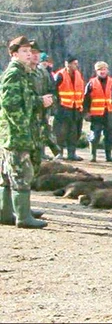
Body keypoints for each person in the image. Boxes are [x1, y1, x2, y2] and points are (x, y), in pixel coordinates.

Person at [0, 36, 52, 228]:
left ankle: (5, 213)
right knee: (21, 174)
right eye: (24, 51)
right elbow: (10, 104)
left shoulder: (21, 73)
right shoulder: (14, 73)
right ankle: (23, 217)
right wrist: (23, 129)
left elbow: (26, 99)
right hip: (16, 134)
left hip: (14, 133)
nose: (29, 54)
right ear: (14, 54)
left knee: (8, 174)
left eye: (29, 51)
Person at [28, 41, 60, 160]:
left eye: (38, 53)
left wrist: (51, 100)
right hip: (28, 120)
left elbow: (52, 90)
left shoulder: (43, 72)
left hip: (42, 117)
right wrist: (40, 101)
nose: (35, 55)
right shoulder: (22, 73)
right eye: (32, 52)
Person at [53, 55, 85, 161]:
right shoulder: (60, 75)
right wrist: (56, 106)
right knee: (61, 132)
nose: (76, 65)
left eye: (77, 63)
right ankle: (59, 153)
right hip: (63, 108)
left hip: (75, 109)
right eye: (74, 63)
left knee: (74, 132)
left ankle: (72, 153)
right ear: (68, 64)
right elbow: (54, 91)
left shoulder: (78, 75)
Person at [83, 61, 112, 162]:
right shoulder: (91, 83)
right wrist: (86, 112)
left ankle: (108, 156)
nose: (102, 71)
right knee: (95, 135)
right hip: (96, 114)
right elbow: (86, 99)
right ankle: (93, 155)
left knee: (109, 136)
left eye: (104, 69)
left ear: (107, 70)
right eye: (100, 70)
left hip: (109, 113)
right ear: (96, 71)